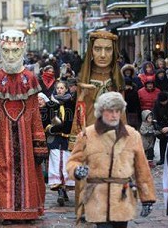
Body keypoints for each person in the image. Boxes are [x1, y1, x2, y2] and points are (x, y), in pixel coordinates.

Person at [0, 30, 47, 224]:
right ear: (1, 50)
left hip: (27, 139)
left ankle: (28, 212)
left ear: (23, 50)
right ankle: (6, 212)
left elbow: (35, 113)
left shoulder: (30, 79)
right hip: (4, 140)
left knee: (29, 174)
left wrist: (39, 144)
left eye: (15, 51)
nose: (11, 56)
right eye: (7, 51)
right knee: (3, 172)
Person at [67, 92, 156, 226]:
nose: (114, 115)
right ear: (101, 112)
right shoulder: (87, 135)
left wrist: (147, 198)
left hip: (122, 196)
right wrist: (76, 170)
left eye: (117, 111)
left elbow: (141, 168)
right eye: (110, 111)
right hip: (97, 195)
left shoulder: (132, 135)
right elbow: (73, 160)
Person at [69, 30, 125, 218]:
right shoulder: (84, 78)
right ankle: (84, 207)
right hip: (90, 132)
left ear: (114, 52)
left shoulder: (117, 79)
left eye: (108, 50)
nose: (102, 55)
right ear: (91, 51)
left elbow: (122, 110)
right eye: (98, 49)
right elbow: (79, 110)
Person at [47, 81, 75, 206]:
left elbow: (75, 120)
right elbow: (45, 119)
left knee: (67, 164)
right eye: (57, 88)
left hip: (68, 139)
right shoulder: (51, 104)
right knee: (56, 163)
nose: (59, 90)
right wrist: (51, 128)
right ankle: (59, 190)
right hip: (55, 139)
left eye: (62, 88)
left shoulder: (71, 104)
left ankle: (64, 189)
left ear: (66, 89)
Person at [152, 92, 168, 165]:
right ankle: (162, 158)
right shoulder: (157, 103)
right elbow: (154, 114)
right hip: (161, 124)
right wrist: (157, 125)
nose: (163, 103)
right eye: (162, 102)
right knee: (162, 142)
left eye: (165, 102)